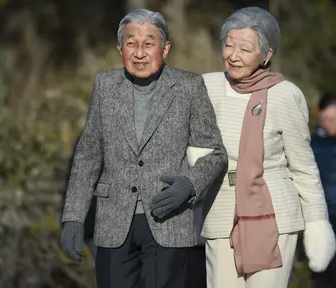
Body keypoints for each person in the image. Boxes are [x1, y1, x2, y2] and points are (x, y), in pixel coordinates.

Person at [60, 8, 228, 288]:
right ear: (119, 48)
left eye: (149, 43)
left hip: (168, 220)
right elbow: (87, 156)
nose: (139, 52)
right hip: (113, 222)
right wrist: (74, 217)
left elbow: (215, 153)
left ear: (165, 49)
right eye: (131, 43)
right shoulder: (105, 86)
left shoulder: (189, 86)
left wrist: (188, 185)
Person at [196, 7, 335, 288]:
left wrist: (317, 222)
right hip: (221, 211)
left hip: (275, 216)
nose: (233, 56)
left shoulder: (285, 95)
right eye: (229, 45)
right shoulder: (204, 87)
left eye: (245, 49)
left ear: (267, 55)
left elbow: (303, 168)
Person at [311, 92, 336, 288]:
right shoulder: (313, 144)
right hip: (322, 218)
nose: (329, 123)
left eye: (333, 119)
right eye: (325, 119)